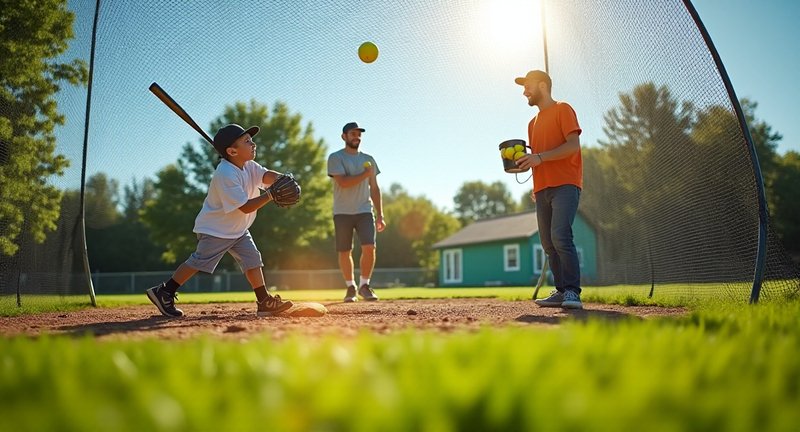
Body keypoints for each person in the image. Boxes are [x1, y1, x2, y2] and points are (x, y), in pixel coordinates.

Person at [146, 123, 294, 317]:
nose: (253, 144)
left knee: (252, 260)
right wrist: (271, 195)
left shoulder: (248, 165)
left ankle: (264, 301)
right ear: (232, 151)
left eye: (251, 140)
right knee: (199, 262)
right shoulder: (225, 173)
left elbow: (265, 175)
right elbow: (245, 206)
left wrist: (281, 179)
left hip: (239, 229)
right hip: (216, 229)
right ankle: (165, 291)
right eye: (247, 141)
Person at [514, 70, 584, 309]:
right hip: (542, 188)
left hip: (565, 184)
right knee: (548, 243)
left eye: (528, 86)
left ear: (543, 86)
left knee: (561, 236)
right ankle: (561, 291)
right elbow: (536, 158)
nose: (524, 91)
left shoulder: (564, 109)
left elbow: (573, 146)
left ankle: (573, 292)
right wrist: (525, 167)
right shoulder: (531, 124)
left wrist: (540, 158)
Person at [327, 122, 386, 302]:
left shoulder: (369, 159)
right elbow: (343, 183)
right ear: (344, 136)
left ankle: (364, 285)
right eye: (352, 133)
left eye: (359, 134)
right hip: (342, 212)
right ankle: (350, 287)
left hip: (364, 211)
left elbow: (374, 189)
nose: (356, 136)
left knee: (370, 247)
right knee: (345, 251)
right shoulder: (335, 158)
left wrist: (380, 214)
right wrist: (365, 174)